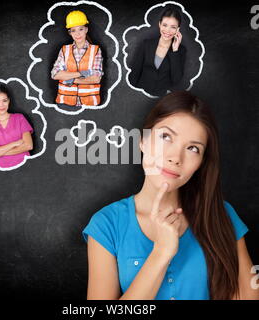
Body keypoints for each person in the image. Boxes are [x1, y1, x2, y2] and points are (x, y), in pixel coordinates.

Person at [82, 91, 258, 300]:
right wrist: (161, 253)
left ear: (201, 163)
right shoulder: (106, 224)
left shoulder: (222, 214)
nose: (176, 157)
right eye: (166, 137)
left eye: (193, 148)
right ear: (143, 142)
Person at [51, 10, 103, 108]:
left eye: (81, 29)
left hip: (89, 103)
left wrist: (70, 79)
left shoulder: (95, 50)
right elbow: (55, 74)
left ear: (86, 30)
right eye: (73, 30)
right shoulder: (64, 50)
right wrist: (81, 74)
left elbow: (96, 78)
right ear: (70, 33)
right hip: (65, 103)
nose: (77, 34)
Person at [129, 7, 186, 96]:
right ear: (159, 24)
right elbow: (135, 73)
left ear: (178, 29)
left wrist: (175, 51)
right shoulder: (146, 44)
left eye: (173, 27)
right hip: (140, 95)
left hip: (162, 99)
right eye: (165, 25)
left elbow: (176, 80)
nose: (167, 30)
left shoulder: (180, 50)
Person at [0, 84, 33, 168]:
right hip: (2, 171)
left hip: (25, 166)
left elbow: (28, 145)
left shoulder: (19, 118)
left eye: (4, 100)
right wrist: (14, 144)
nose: (1, 105)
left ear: (9, 101)